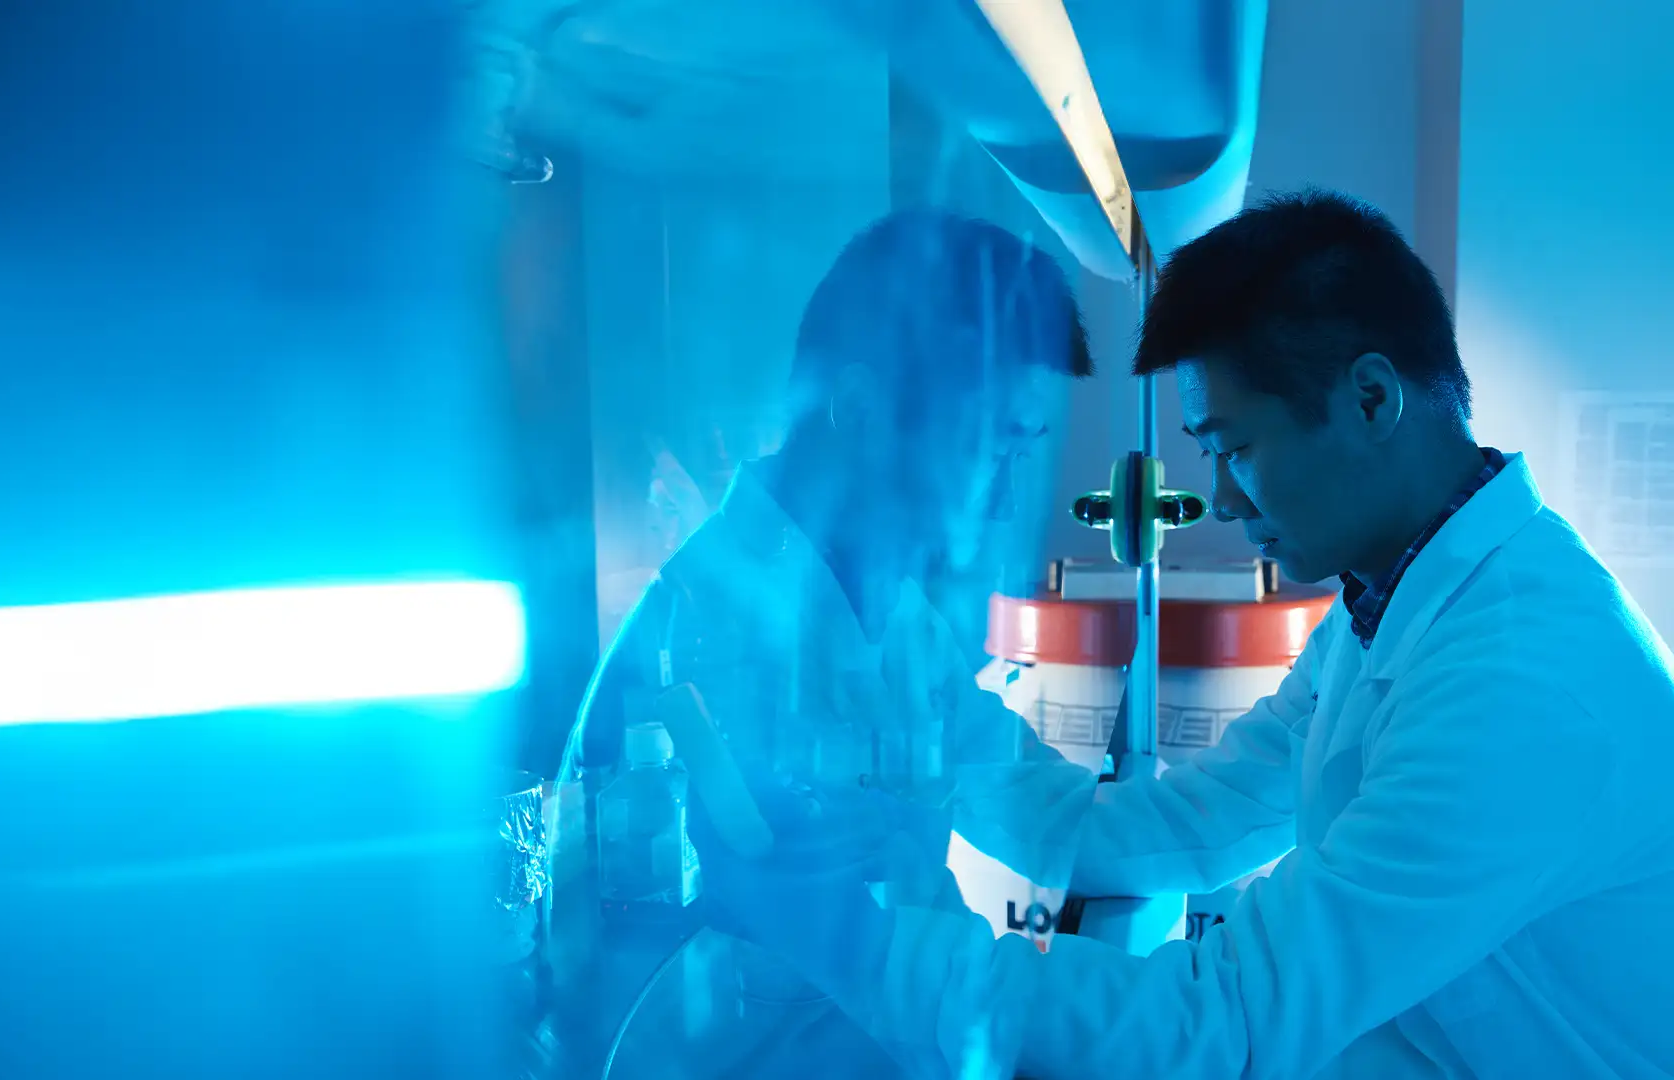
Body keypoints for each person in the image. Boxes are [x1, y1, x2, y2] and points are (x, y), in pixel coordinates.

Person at [693, 190, 1674, 1079]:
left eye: (1235, 448)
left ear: (1372, 399)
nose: (1216, 499)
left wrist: (841, 937)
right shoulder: (1388, 604)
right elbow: (1189, 827)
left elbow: (1223, 1024)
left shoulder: (1519, 680)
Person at [557, 207, 1093, 1069]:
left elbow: (1037, 803)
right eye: (991, 448)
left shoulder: (897, 611)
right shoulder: (696, 634)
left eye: (1019, 456)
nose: (1000, 501)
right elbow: (819, 952)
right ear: (862, 412)